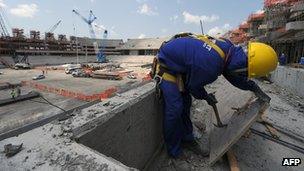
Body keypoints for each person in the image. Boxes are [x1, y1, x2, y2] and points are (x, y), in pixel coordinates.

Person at [151, 33, 278, 162]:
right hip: (166, 66)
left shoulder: (229, 50)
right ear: (245, 66)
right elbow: (193, 87)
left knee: (186, 103)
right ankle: (174, 152)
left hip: (181, 65)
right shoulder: (211, 66)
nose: (245, 75)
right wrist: (206, 97)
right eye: (246, 73)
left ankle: (187, 139)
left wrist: (254, 88)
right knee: (175, 108)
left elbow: (233, 75)